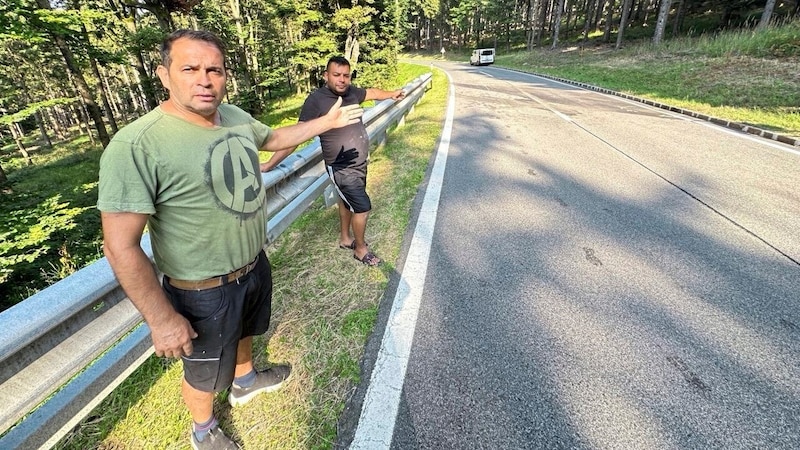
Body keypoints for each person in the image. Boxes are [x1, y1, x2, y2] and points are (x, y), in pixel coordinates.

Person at [97, 30, 363, 450]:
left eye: (214, 70)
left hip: (253, 264)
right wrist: (162, 320)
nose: (204, 79)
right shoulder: (137, 145)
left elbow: (274, 139)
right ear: (164, 76)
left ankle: (245, 381)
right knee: (202, 373)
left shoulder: (235, 116)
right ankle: (203, 431)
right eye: (190, 69)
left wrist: (326, 123)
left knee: (246, 332)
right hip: (201, 288)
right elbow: (120, 246)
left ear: (224, 76)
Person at [262, 56, 405, 267]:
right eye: (336, 75)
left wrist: (392, 94)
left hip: (359, 162)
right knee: (362, 208)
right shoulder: (316, 100)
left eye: (346, 75)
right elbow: (296, 136)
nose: (341, 80)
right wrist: (269, 165)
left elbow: (373, 93)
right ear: (325, 75)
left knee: (347, 201)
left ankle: (345, 238)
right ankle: (360, 249)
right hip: (340, 166)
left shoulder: (353, 92)